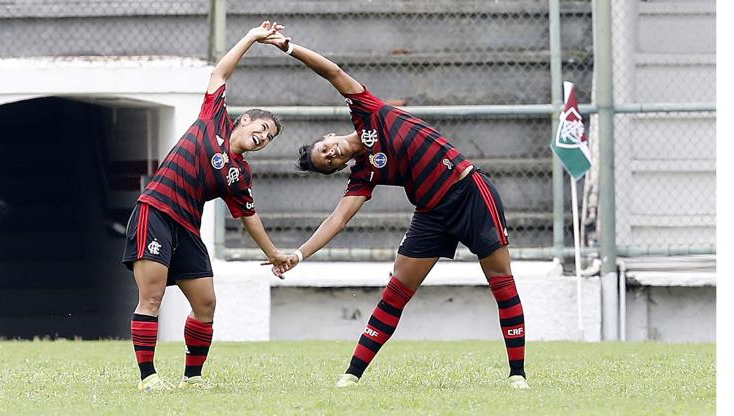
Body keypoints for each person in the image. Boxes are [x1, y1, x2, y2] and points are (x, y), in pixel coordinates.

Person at [264, 31, 529, 390]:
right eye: (327, 163)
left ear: (328, 136)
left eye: (324, 150)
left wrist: (289, 47)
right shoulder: (364, 173)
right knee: (397, 288)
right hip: (432, 213)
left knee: (500, 281)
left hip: (469, 192)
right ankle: (351, 376)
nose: (329, 155)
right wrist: (298, 254)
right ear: (336, 169)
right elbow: (338, 219)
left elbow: (333, 72)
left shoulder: (368, 111)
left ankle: (517, 375)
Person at [122, 21, 289, 391]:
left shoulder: (239, 175)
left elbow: (249, 217)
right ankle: (148, 378)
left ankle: (192, 379)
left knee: (206, 304)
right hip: (156, 212)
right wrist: (250, 37)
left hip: (186, 229)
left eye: (269, 137)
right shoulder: (213, 119)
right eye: (261, 128)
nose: (262, 137)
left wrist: (275, 253)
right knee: (152, 296)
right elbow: (220, 71)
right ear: (244, 120)